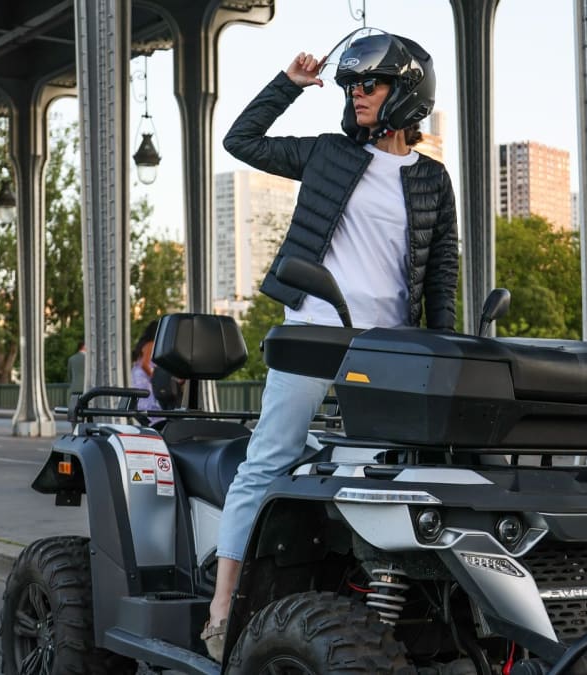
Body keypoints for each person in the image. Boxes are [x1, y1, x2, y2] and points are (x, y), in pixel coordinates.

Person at [200, 29, 458, 661]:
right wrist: (290, 83)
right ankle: (222, 608)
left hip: (388, 350)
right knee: (269, 458)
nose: (358, 93)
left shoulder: (431, 179)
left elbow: (441, 271)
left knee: (396, 479)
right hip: (315, 331)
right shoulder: (327, 155)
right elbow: (241, 140)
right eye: (350, 85)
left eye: (370, 83)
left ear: (406, 93)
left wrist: (445, 350)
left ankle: (381, 611)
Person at [131, 321, 160, 416]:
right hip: (144, 377)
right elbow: (145, 364)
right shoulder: (151, 344)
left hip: (138, 375)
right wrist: (155, 378)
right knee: (147, 401)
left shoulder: (144, 344)